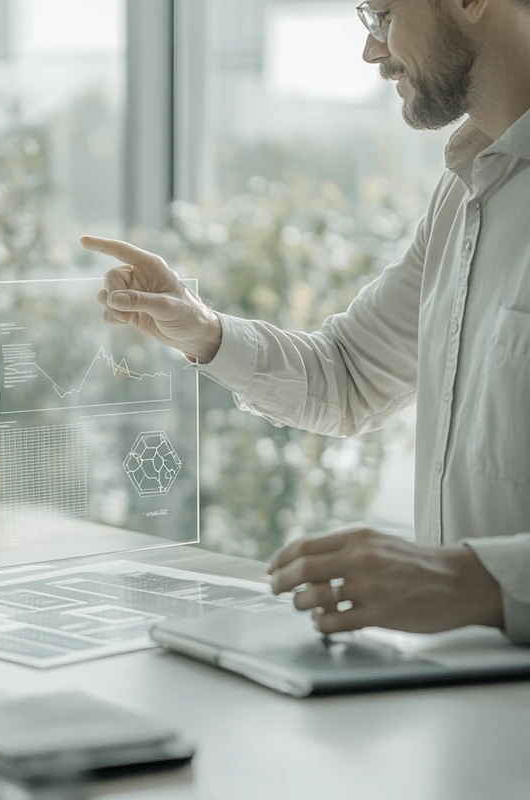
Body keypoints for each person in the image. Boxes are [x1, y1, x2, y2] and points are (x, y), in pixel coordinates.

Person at [81, 0, 530, 646]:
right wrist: (203, 331)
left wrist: (476, 583)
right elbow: (347, 375)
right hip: (459, 688)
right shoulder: (465, 192)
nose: (373, 51)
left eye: (384, 14)